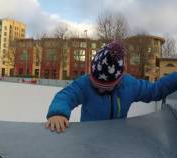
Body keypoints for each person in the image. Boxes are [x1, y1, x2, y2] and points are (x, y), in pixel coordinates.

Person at [45, 40, 177, 133]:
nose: (100, 89)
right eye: (97, 85)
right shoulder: (85, 84)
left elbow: (154, 91)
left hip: (116, 140)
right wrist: (58, 113)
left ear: (119, 81)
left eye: (106, 87)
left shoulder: (129, 85)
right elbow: (66, 95)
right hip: (88, 139)